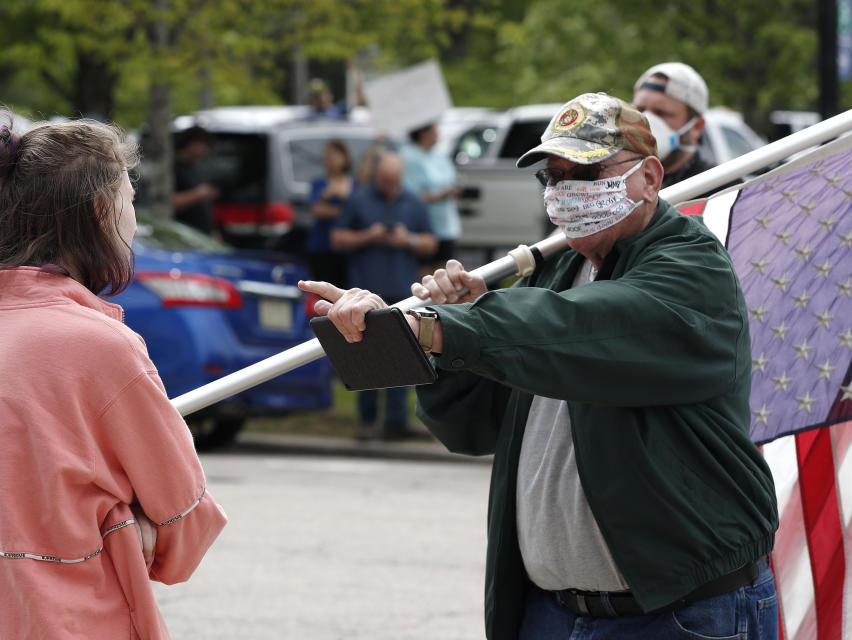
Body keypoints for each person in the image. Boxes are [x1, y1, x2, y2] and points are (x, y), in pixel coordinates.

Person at [300, 93, 779, 639]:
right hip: (549, 613)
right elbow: (471, 426)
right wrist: (435, 345)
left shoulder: (692, 270)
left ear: (649, 177)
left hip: (677, 612)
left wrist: (440, 326)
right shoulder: (555, 272)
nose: (566, 191)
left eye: (587, 172)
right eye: (553, 177)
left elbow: (582, 328)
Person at [0, 115, 227, 638]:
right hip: (69, 617)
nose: (132, 218)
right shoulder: (101, 349)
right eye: (129, 200)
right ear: (102, 212)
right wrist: (133, 521)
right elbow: (184, 528)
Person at [331, 151, 437, 440]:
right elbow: (337, 238)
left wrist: (409, 240)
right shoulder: (359, 200)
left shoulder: (413, 202)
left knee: (400, 357)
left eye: (395, 181)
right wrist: (370, 236)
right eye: (385, 181)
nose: (390, 187)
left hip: (402, 293)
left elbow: (431, 243)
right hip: (364, 290)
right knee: (364, 357)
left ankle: (396, 422)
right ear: (377, 176)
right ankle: (366, 422)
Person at [632, 61, 729, 192]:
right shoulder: (619, 183)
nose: (646, 121)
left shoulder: (721, 189)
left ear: (697, 127)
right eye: (640, 110)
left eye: (661, 113)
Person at [400, 121, 462, 275]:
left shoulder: (440, 154)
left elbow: (451, 179)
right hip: (422, 226)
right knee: (425, 277)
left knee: (445, 274)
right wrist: (439, 196)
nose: (438, 133)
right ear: (423, 132)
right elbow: (409, 195)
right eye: (435, 130)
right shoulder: (408, 155)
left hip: (445, 226)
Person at [307, 140, 353, 287]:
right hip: (322, 245)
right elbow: (316, 209)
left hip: (348, 246)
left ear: (345, 158)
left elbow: (359, 208)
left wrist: (338, 198)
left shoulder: (354, 183)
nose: (331, 161)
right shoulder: (319, 182)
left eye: (335, 156)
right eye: (327, 157)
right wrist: (343, 210)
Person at [172, 125, 220, 235]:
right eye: (203, 145)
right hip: (183, 235)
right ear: (191, 143)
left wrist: (213, 230)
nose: (205, 150)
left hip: (202, 237)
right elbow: (167, 202)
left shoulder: (196, 168)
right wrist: (198, 194)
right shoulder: (173, 168)